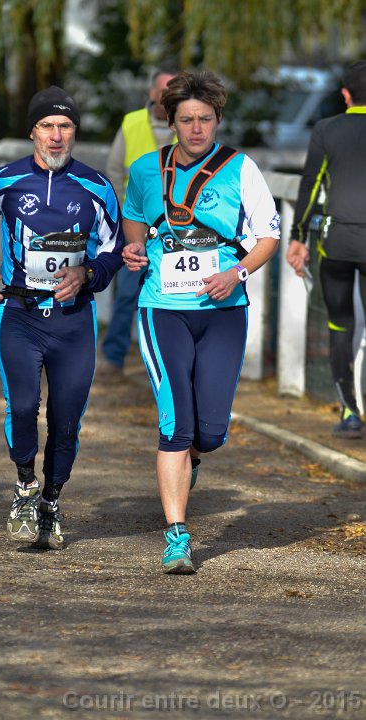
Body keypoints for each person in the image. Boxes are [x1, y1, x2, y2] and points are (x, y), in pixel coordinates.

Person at [122, 70, 280, 574]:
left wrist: (237, 273)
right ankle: (177, 536)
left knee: (209, 433)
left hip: (223, 313)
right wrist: (133, 248)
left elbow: (268, 236)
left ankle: (194, 456)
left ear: (217, 121)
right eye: (187, 119)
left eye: (205, 119)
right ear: (170, 120)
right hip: (162, 310)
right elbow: (133, 217)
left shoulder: (241, 168)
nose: (196, 129)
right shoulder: (146, 169)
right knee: (175, 424)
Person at [0, 86, 124, 549]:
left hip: (74, 320)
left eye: (65, 126)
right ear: (33, 131)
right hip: (19, 313)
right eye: (47, 126)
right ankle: (25, 487)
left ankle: (51, 500)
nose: (57, 136)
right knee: (21, 406)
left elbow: (113, 249)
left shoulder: (96, 187)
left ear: (75, 132)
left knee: (66, 418)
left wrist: (88, 273)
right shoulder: (4, 180)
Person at [287, 61, 366, 439]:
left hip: (337, 244)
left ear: (345, 95)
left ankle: (350, 413)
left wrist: (298, 237)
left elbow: (310, 184)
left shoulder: (326, 129)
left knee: (340, 324)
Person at [97, 69, 177, 379]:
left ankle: (167, 361)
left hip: (175, 228)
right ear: (152, 93)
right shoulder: (131, 123)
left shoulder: (188, 123)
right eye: (164, 89)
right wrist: (126, 214)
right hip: (136, 226)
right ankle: (113, 356)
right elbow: (115, 171)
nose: (168, 96)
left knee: (173, 294)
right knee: (128, 293)